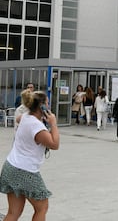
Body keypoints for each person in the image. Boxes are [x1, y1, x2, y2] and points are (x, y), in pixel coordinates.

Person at [0, 91, 60, 220]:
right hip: (26, 171)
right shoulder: (37, 127)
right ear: (42, 107)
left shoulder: (25, 117)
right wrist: (53, 123)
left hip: (11, 167)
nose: (49, 106)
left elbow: (18, 118)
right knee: (42, 207)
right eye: (47, 103)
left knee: (13, 212)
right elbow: (54, 144)